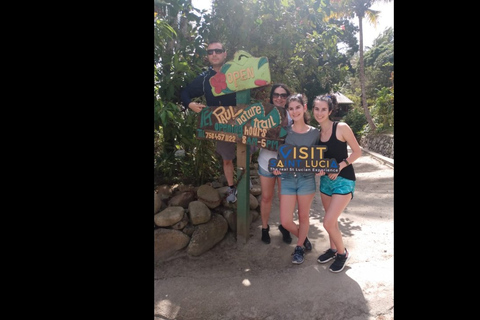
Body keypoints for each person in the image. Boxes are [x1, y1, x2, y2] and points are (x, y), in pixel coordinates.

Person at [180, 41, 238, 203]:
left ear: (225, 53)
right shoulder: (204, 79)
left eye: (218, 51)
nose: (214, 54)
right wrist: (190, 104)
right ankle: (232, 188)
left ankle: (246, 182)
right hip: (221, 124)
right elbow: (185, 92)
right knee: (227, 158)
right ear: (207, 56)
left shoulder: (237, 71)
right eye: (210, 52)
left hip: (243, 120)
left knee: (245, 154)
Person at [313, 94, 362, 273]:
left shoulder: (341, 128)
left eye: (323, 109)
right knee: (331, 219)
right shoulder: (316, 134)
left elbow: (357, 152)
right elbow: (319, 161)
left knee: (328, 221)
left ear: (330, 111)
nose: (319, 113)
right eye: (316, 109)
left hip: (344, 180)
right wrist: (319, 169)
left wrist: (340, 166)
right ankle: (333, 249)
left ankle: (342, 253)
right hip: (326, 182)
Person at [273, 93, 318, 264]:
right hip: (288, 179)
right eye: (291, 108)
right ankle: (303, 237)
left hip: (307, 179)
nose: (294, 111)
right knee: (285, 221)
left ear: (304, 108)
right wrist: (277, 167)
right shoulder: (284, 132)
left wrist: (321, 168)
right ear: (288, 111)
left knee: (304, 216)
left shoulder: (315, 133)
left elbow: (320, 157)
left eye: (297, 107)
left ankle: (298, 248)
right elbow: (280, 156)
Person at [257, 84, 293, 244]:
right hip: (266, 162)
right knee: (266, 197)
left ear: (287, 98)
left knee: (285, 198)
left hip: (285, 164)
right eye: (276, 95)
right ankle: (264, 228)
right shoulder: (263, 113)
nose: (279, 98)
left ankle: (284, 226)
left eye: (283, 95)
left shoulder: (293, 115)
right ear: (272, 97)